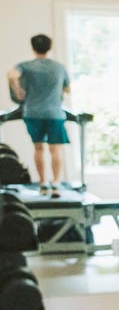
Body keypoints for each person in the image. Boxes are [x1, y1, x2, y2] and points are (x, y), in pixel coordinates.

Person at [7, 34, 72, 197]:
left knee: (38, 148)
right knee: (55, 149)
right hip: (54, 113)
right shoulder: (59, 67)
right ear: (50, 47)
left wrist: (18, 90)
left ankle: (43, 183)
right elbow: (68, 89)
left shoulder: (25, 66)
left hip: (33, 112)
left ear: (33, 47)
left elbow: (11, 75)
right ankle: (55, 183)